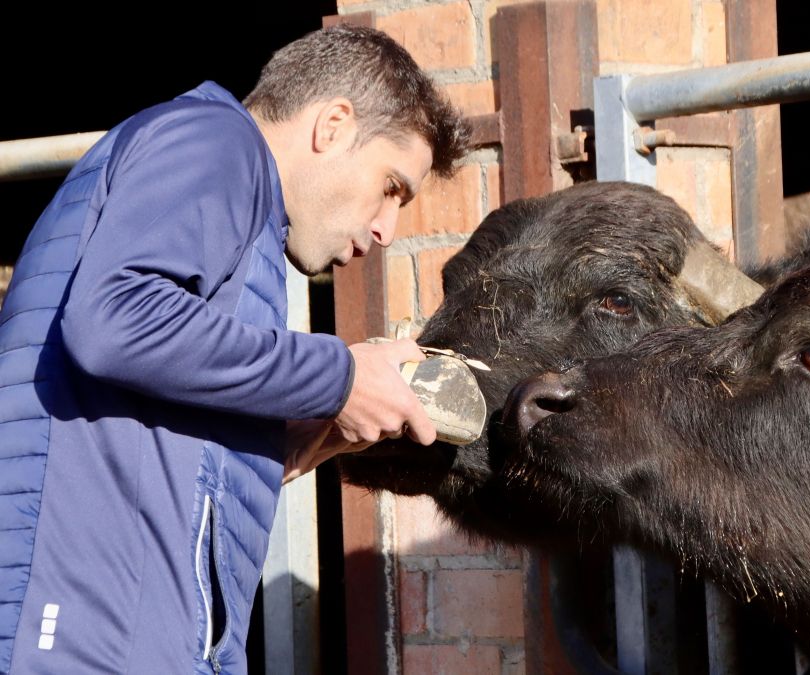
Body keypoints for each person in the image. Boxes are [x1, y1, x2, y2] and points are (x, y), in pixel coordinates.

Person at [0, 25, 469, 674]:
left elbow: (168, 458)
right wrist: (339, 374)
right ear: (332, 125)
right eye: (392, 186)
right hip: (85, 640)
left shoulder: (240, 225)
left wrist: (316, 429)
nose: (387, 228)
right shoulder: (216, 143)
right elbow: (112, 320)